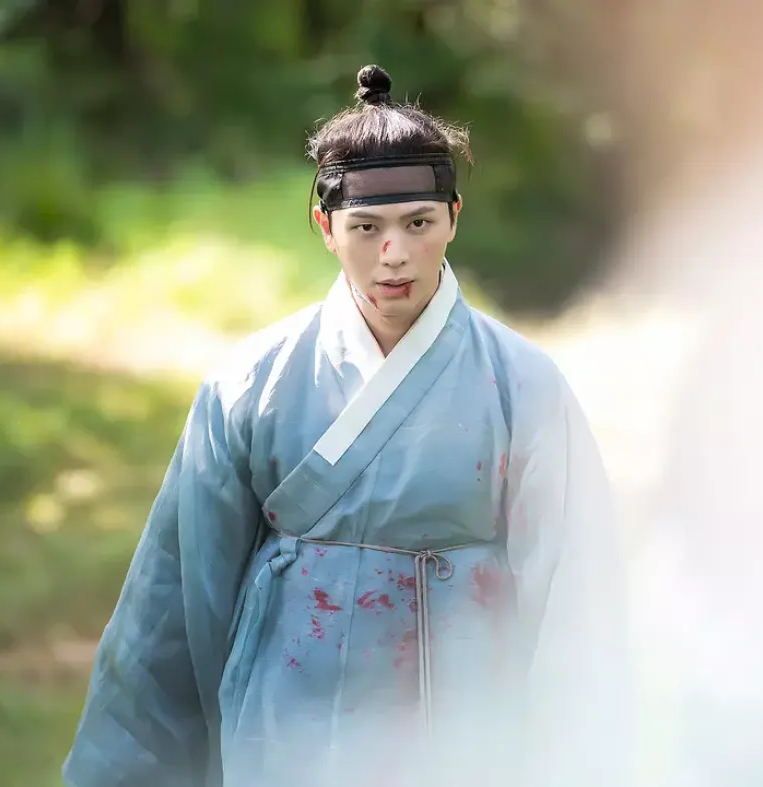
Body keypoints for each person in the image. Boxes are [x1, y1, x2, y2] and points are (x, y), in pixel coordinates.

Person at [62, 64, 623, 787]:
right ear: (325, 227)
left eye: (418, 223)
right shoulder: (251, 384)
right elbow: (175, 600)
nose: (395, 254)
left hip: (465, 738)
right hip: (288, 728)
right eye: (366, 227)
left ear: (454, 216)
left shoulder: (524, 385)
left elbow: (578, 603)